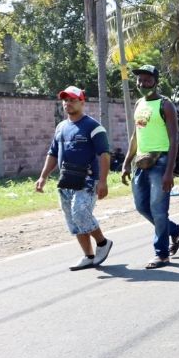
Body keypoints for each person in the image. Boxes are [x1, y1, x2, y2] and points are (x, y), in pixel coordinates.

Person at [35, 85, 113, 270]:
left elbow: (104, 154)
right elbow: (52, 153)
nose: (67, 103)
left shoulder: (94, 127)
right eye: (65, 100)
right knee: (72, 219)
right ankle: (88, 256)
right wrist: (43, 176)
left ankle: (102, 243)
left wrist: (102, 181)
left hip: (88, 180)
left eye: (72, 100)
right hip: (66, 181)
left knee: (79, 212)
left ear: (82, 102)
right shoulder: (61, 127)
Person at [121, 65, 179, 269]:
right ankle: (174, 231)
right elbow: (135, 136)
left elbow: (174, 139)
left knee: (158, 210)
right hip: (141, 162)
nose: (142, 84)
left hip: (161, 161)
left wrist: (169, 172)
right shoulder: (139, 103)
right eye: (140, 81)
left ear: (156, 81)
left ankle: (162, 254)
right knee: (142, 206)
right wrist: (126, 163)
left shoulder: (165, 105)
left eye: (147, 80)